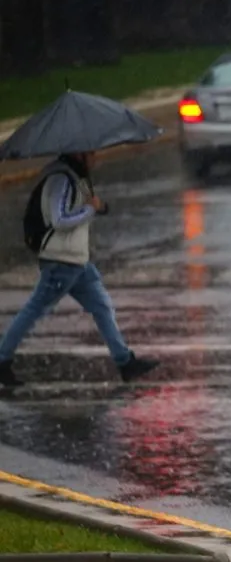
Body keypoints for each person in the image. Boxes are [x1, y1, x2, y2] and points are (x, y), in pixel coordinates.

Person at [0, 152, 159, 387]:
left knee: (102, 306)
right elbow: (59, 219)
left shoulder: (79, 177)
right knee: (34, 311)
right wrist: (90, 210)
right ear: (79, 153)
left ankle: (125, 363)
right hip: (61, 260)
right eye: (92, 152)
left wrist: (100, 207)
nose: (97, 157)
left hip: (77, 261)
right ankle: (2, 359)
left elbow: (91, 203)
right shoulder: (60, 179)